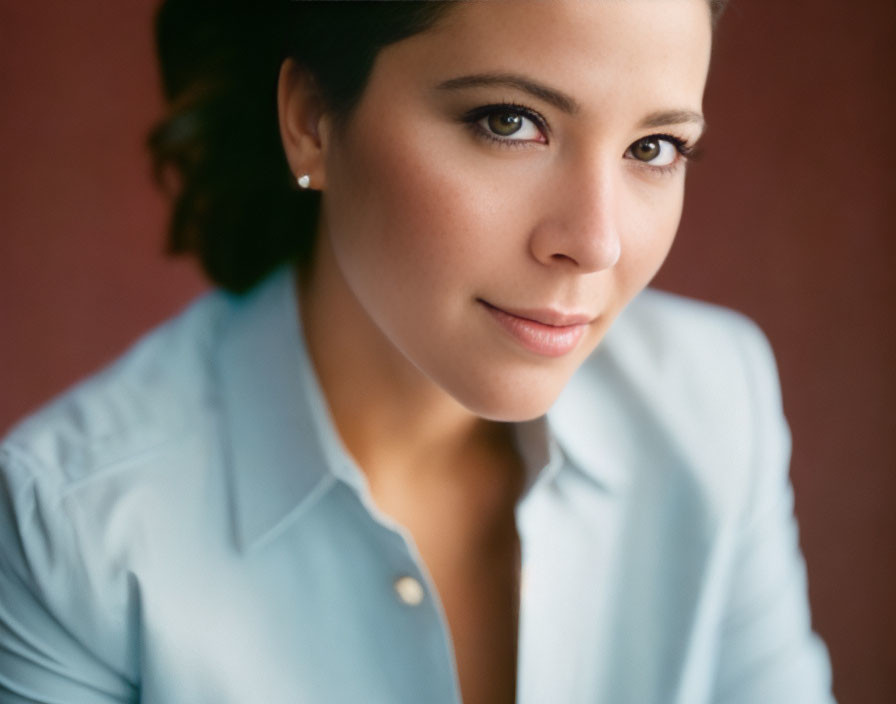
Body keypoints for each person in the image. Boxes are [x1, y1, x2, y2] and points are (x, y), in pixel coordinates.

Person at [0, 1, 836, 702]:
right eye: (511, 122)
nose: (595, 243)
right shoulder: (67, 533)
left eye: (654, 148)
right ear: (312, 121)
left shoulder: (716, 400)